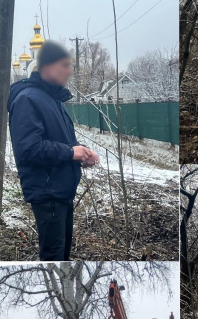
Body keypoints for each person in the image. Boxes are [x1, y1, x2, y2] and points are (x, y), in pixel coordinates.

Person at [7, 40, 99, 261]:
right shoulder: (27, 99)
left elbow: (61, 141)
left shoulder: (51, 99)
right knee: (53, 257)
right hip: (48, 193)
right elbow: (28, 149)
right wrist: (70, 153)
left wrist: (82, 153)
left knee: (62, 255)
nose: (69, 71)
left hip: (61, 190)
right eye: (64, 65)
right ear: (47, 66)